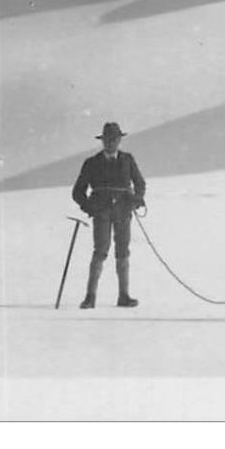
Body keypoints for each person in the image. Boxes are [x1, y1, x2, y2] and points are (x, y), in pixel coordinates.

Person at [70, 121, 147, 309]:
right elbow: (77, 191)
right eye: (108, 140)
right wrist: (89, 207)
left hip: (123, 211)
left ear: (120, 140)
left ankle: (124, 296)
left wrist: (136, 200)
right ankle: (90, 297)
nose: (111, 143)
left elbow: (140, 183)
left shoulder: (128, 160)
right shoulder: (91, 163)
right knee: (100, 251)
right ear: (102, 141)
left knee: (123, 251)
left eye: (114, 139)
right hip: (101, 212)